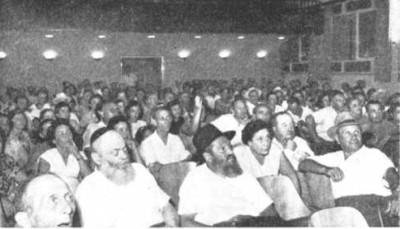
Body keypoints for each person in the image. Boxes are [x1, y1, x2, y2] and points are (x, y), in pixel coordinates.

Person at [299, 111, 399, 226]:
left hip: (375, 204)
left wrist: (397, 195)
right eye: (347, 133)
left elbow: (392, 176)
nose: (354, 137)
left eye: (357, 132)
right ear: (337, 138)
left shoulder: (374, 154)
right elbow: (303, 164)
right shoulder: (333, 157)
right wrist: (326, 170)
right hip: (344, 208)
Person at [179, 124, 279, 226]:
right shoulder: (195, 179)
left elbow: (270, 211)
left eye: (230, 147)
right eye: (223, 149)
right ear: (208, 156)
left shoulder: (242, 173)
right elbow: (186, 222)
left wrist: (249, 220)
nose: (230, 151)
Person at [75, 129, 178, 227]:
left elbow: (166, 205)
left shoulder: (139, 170)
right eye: (115, 152)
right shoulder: (88, 189)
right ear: (97, 158)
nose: (124, 156)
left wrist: (172, 225)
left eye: (125, 150)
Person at [233, 120, 311, 220]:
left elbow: (291, 176)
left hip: (275, 198)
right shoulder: (240, 154)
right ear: (249, 143)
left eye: (268, 137)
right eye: (260, 139)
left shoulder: (275, 150)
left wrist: (293, 201)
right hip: (254, 201)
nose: (266, 143)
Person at [37, 120, 91, 191]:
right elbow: (42, 182)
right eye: (62, 134)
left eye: (69, 133)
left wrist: (77, 154)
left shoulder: (80, 155)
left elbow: (89, 178)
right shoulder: (47, 157)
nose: (67, 136)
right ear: (54, 140)